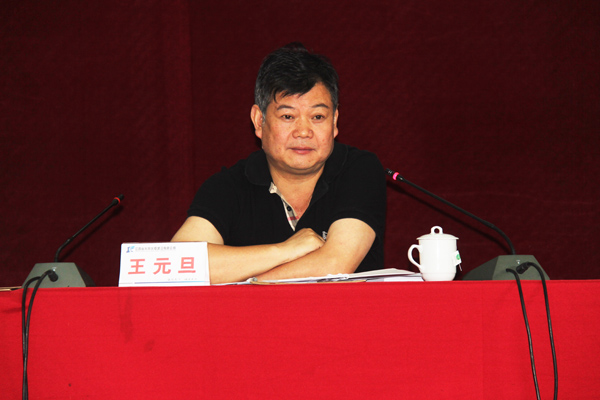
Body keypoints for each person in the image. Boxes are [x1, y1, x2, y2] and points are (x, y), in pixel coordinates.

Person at [172, 43, 386, 284]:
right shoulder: (228, 186)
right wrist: (283, 250)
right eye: (288, 116)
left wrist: (248, 282)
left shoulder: (359, 170)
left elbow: (334, 264)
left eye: (317, 117)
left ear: (334, 121)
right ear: (258, 120)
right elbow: (180, 264)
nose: (303, 131)